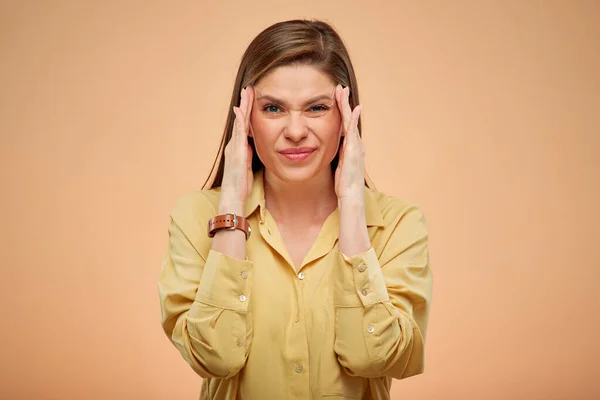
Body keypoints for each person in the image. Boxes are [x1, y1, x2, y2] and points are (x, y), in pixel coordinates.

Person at [158, 19, 433, 400]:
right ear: (247, 119)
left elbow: (377, 358)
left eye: (317, 108)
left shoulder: (400, 224)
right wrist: (231, 210)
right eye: (273, 108)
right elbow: (214, 356)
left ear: (345, 117)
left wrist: (352, 207)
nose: (296, 130)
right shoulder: (194, 218)